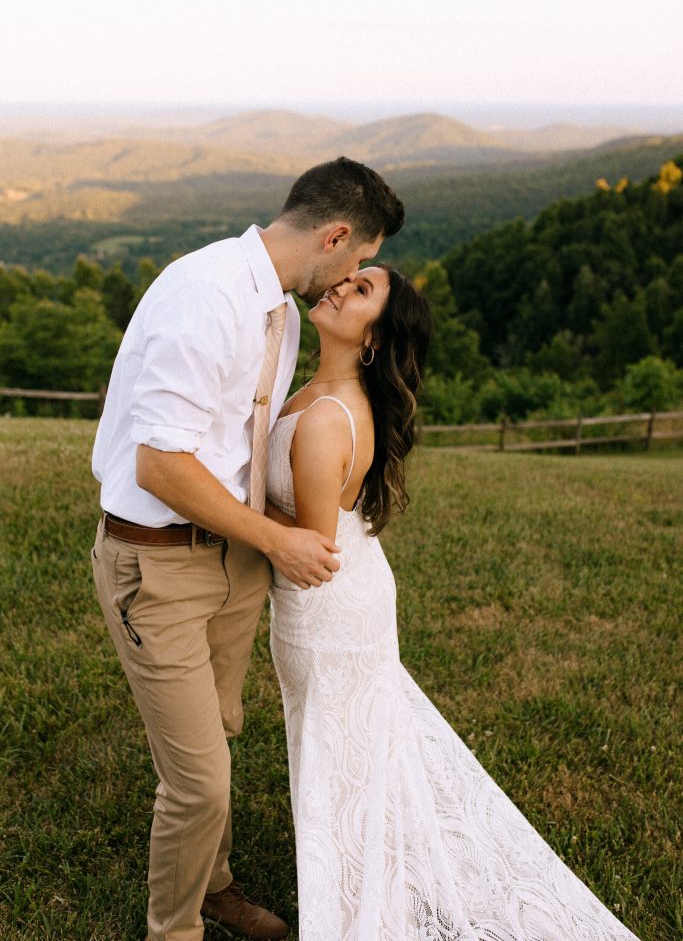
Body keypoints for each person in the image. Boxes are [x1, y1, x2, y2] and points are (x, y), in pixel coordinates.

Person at [265, 265, 641, 941]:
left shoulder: (326, 416)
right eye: (347, 279)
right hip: (341, 602)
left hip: (327, 612)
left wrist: (226, 506)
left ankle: (358, 909)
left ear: (374, 338)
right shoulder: (318, 391)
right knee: (354, 756)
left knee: (341, 763)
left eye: (359, 291)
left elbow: (309, 547)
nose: (338, 288)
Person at [89, 156, 405, 941]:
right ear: (335, 236)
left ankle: (214, 886)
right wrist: (279, 540)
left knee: (220, 737)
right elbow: (159, 463)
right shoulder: (208, 296)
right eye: (360, 259)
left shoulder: (285, 314)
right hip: (156, 564)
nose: (353, 272)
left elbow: (245, 440)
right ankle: (176, 931)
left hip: (231, 562)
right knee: (197, 784)